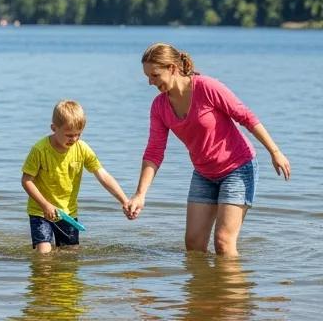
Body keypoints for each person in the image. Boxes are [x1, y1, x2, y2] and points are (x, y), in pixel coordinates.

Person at [125, 43, 291, 255]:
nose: (150, 82)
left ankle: (234, 288)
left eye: (155, 75)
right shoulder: (159, 107)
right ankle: (205, 288)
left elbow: (245, 116)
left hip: (237, 168)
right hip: (204, 173)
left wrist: (275, 152)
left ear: (172, 68)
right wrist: (140, 194)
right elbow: (154, 152)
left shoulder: (206, 87)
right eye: (148, 77)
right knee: (193, 244)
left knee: (223, 242)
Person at [21, 100, 130, 253]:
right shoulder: (40, 150)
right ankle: (44, 276)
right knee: (44, 255)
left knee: (70, 255)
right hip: (41, 211)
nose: (74, 139)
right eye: (69, 135)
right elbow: (26, 180)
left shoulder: (82, 149)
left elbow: (102, 175)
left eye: (78, 134)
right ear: (54, 128)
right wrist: (45, 205)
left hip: (68, 213)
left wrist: (124, 200)